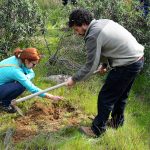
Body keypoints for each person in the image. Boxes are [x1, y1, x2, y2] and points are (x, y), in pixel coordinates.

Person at [66, 8, 144, 137]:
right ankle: (116, 122)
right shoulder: (102, 23)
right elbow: (110, 46)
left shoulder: (93, 35)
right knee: (121, 95)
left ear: (84, 24)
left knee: (105, 97)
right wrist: (104, 64)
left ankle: (97, 130)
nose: (76, 33)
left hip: (127, 64)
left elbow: (91, 65)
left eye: (76, 29)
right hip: (137, 59)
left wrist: (74, 79)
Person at [0, 48, 63, 113]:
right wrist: (52, 97)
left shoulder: (19, 58)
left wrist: (26, 77)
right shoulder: (15, 71)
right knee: (22, 85)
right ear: (27, 61)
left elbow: (32, 73)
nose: (34, 66)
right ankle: (4, 104)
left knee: (22, 81)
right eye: (33, 64)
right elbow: (33, 89)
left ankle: (4, 99)